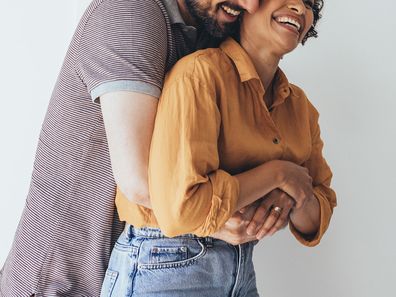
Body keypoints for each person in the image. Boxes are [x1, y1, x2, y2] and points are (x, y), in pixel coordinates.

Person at [0, 1, 267, 296]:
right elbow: (138, 181)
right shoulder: (130, 13)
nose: (251, 4)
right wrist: (215, 220)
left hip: (136, 276)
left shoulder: (208, 32)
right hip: (63, 283)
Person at [101, 0, 337, 295]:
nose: (300, 8)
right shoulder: (199, 76)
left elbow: (317, 215)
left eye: (308, 3)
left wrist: (295, 196)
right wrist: (280, 175)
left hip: (240, 266)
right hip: (165, 259)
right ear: (245, 11)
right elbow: (182, 209)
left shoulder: (300, 108)